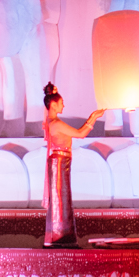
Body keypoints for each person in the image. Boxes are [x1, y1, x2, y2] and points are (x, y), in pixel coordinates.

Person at [40, 84, 105, 247]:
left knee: (62, 198)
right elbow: (80, 134)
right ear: (53, 105)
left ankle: (61, 237)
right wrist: (93, 117)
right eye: (61, 103)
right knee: (60, 199)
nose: (63, 106)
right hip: (59, 162)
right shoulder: (56, 123)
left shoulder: (51, 121)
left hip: (60, 161)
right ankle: (60, 238)